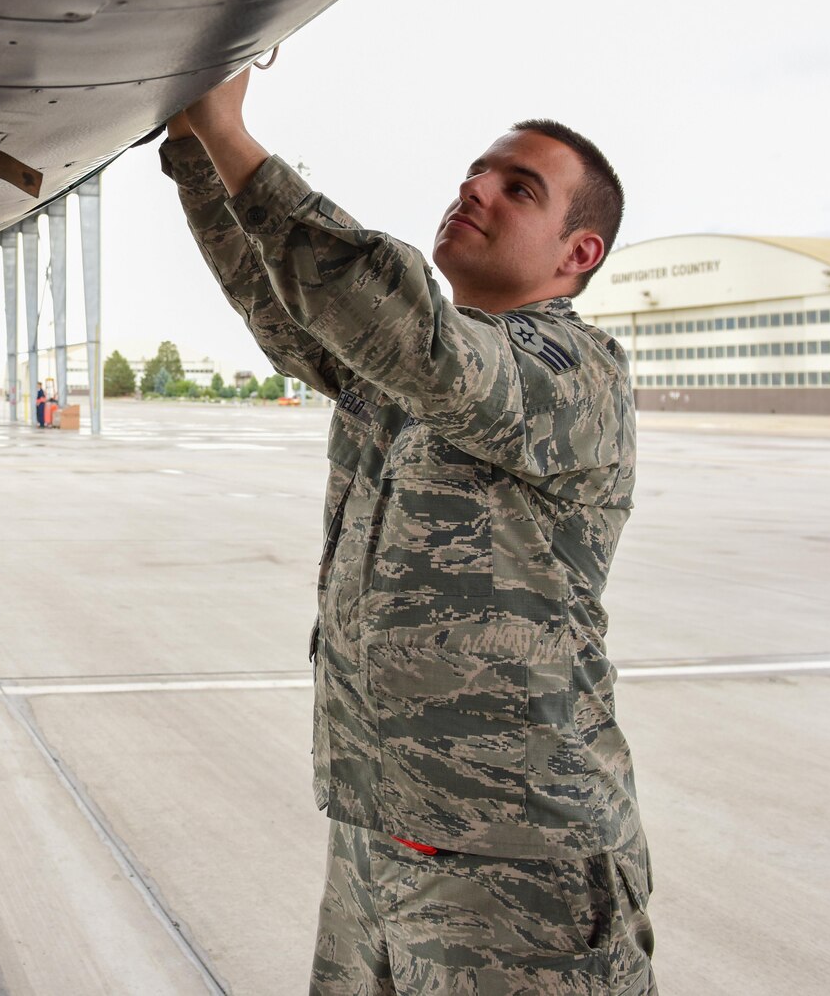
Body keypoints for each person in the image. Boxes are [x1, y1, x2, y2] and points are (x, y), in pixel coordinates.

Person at [163, 68, 652, 995]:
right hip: (378, 827)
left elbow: (397, 320)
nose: (475, 189)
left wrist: (232, 135)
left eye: (519, 188)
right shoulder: (407, 373)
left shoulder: (571, 373)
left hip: (518, 858)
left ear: (577, 252)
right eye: (476, 173)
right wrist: (196, 153)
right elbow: (285, 301)